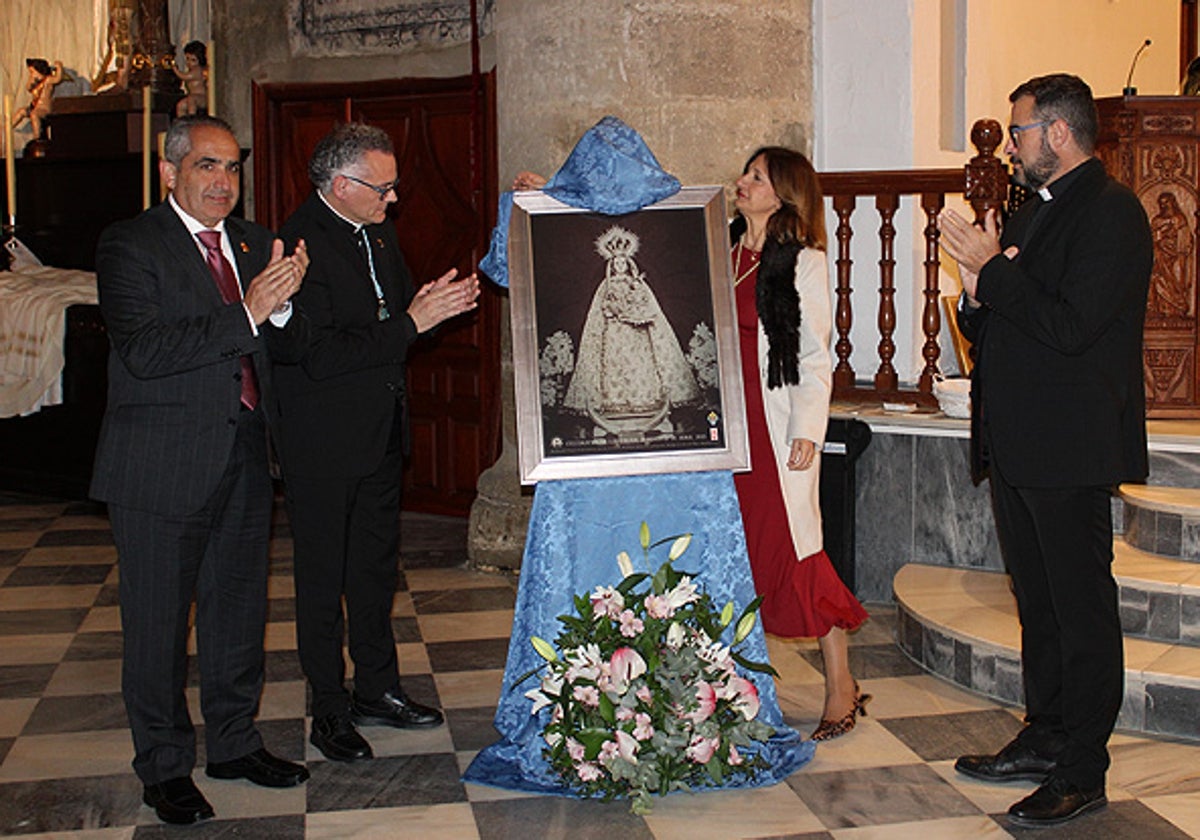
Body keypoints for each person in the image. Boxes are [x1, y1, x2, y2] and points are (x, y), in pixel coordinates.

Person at [938, 73, 1152, 828]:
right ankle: (1046, 732)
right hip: (1021, 441)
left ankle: (1082, 768)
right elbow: (997, 328)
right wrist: (973, 287)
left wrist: (993, 270)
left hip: (1073, 446)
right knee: (1039, 605)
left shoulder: (1114, 215)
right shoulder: (1037, 211)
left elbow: (1071, 327)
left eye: (1020, 132)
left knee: (1082, 611)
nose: (1014, 146)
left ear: (1058, 134)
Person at [91, 114, 312, 825]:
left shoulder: (250, 242)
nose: (223, 182)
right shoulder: (130, 244)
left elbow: (272, 345)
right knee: (157, 629)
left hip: (244, 458)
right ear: (170, 172)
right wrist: (251, 309)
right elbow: (148, 351)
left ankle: (234, 743)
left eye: (231, 168)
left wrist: (280, 310)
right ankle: (162, 768)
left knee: (237, 616)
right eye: (207, 167)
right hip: (159, 468)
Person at [272, 123, 480, 762]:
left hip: (380, 434)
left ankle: (377, 689)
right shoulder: (297, 246)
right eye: (383, 188)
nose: (393, 199)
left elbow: (388, 323)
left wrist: (423, 309)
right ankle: (328, 710)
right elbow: (321, 355)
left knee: (372, 572)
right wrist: (411, 323)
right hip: (323, 442)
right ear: (342, 184)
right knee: (321, 582)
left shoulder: (378, 231)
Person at [727, 146, 871, 742]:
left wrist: (808, 431)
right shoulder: (721, 248)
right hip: (722, 427)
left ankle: (841, 685)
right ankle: (733, 689)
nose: (743, 181)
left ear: (784, 194)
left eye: (757, 177)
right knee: (738, 556)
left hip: (774, 426)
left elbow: (815, 357)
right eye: (747, 172)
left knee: (797, 554)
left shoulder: (803, 263)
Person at [12, 58, 64, 140]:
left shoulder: (48, 80)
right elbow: (28, 88)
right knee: (21, 111)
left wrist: (59, 67)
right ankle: (8, 127)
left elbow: (58, 78)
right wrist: (31, 79)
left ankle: (37, 137)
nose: (31, 74)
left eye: (33, 72)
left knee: (34, 115)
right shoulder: (36, 83)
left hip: (44, 108)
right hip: (35, 106)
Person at [175, 41, 208, 117]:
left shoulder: (198, 70)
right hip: (193, 95)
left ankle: (192, 118)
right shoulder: (192, 70)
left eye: (193, 60)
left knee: (191, 100)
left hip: (201, 97)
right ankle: (182, 121)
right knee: (181, 105)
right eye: (187, 59)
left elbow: (185, 77)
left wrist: (175, 70)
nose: (189, 62)